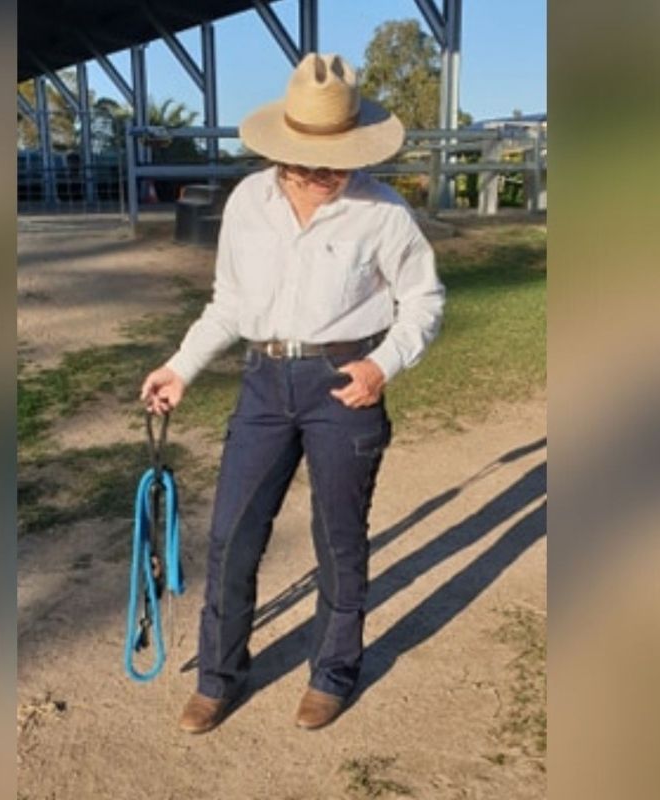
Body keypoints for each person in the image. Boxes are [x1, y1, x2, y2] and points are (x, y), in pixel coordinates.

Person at [140, 53, 445, 733]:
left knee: (339, 539)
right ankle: (218, 677)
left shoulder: (383, 211)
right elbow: (228, 303)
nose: (319, 174)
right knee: (232, 534)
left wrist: (382, 366)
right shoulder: (249, 203)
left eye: (335, 162)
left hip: (343, 382)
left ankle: (332, 672)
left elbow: (424, 300)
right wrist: (180, 368)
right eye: (306, 161)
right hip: (263, 382)